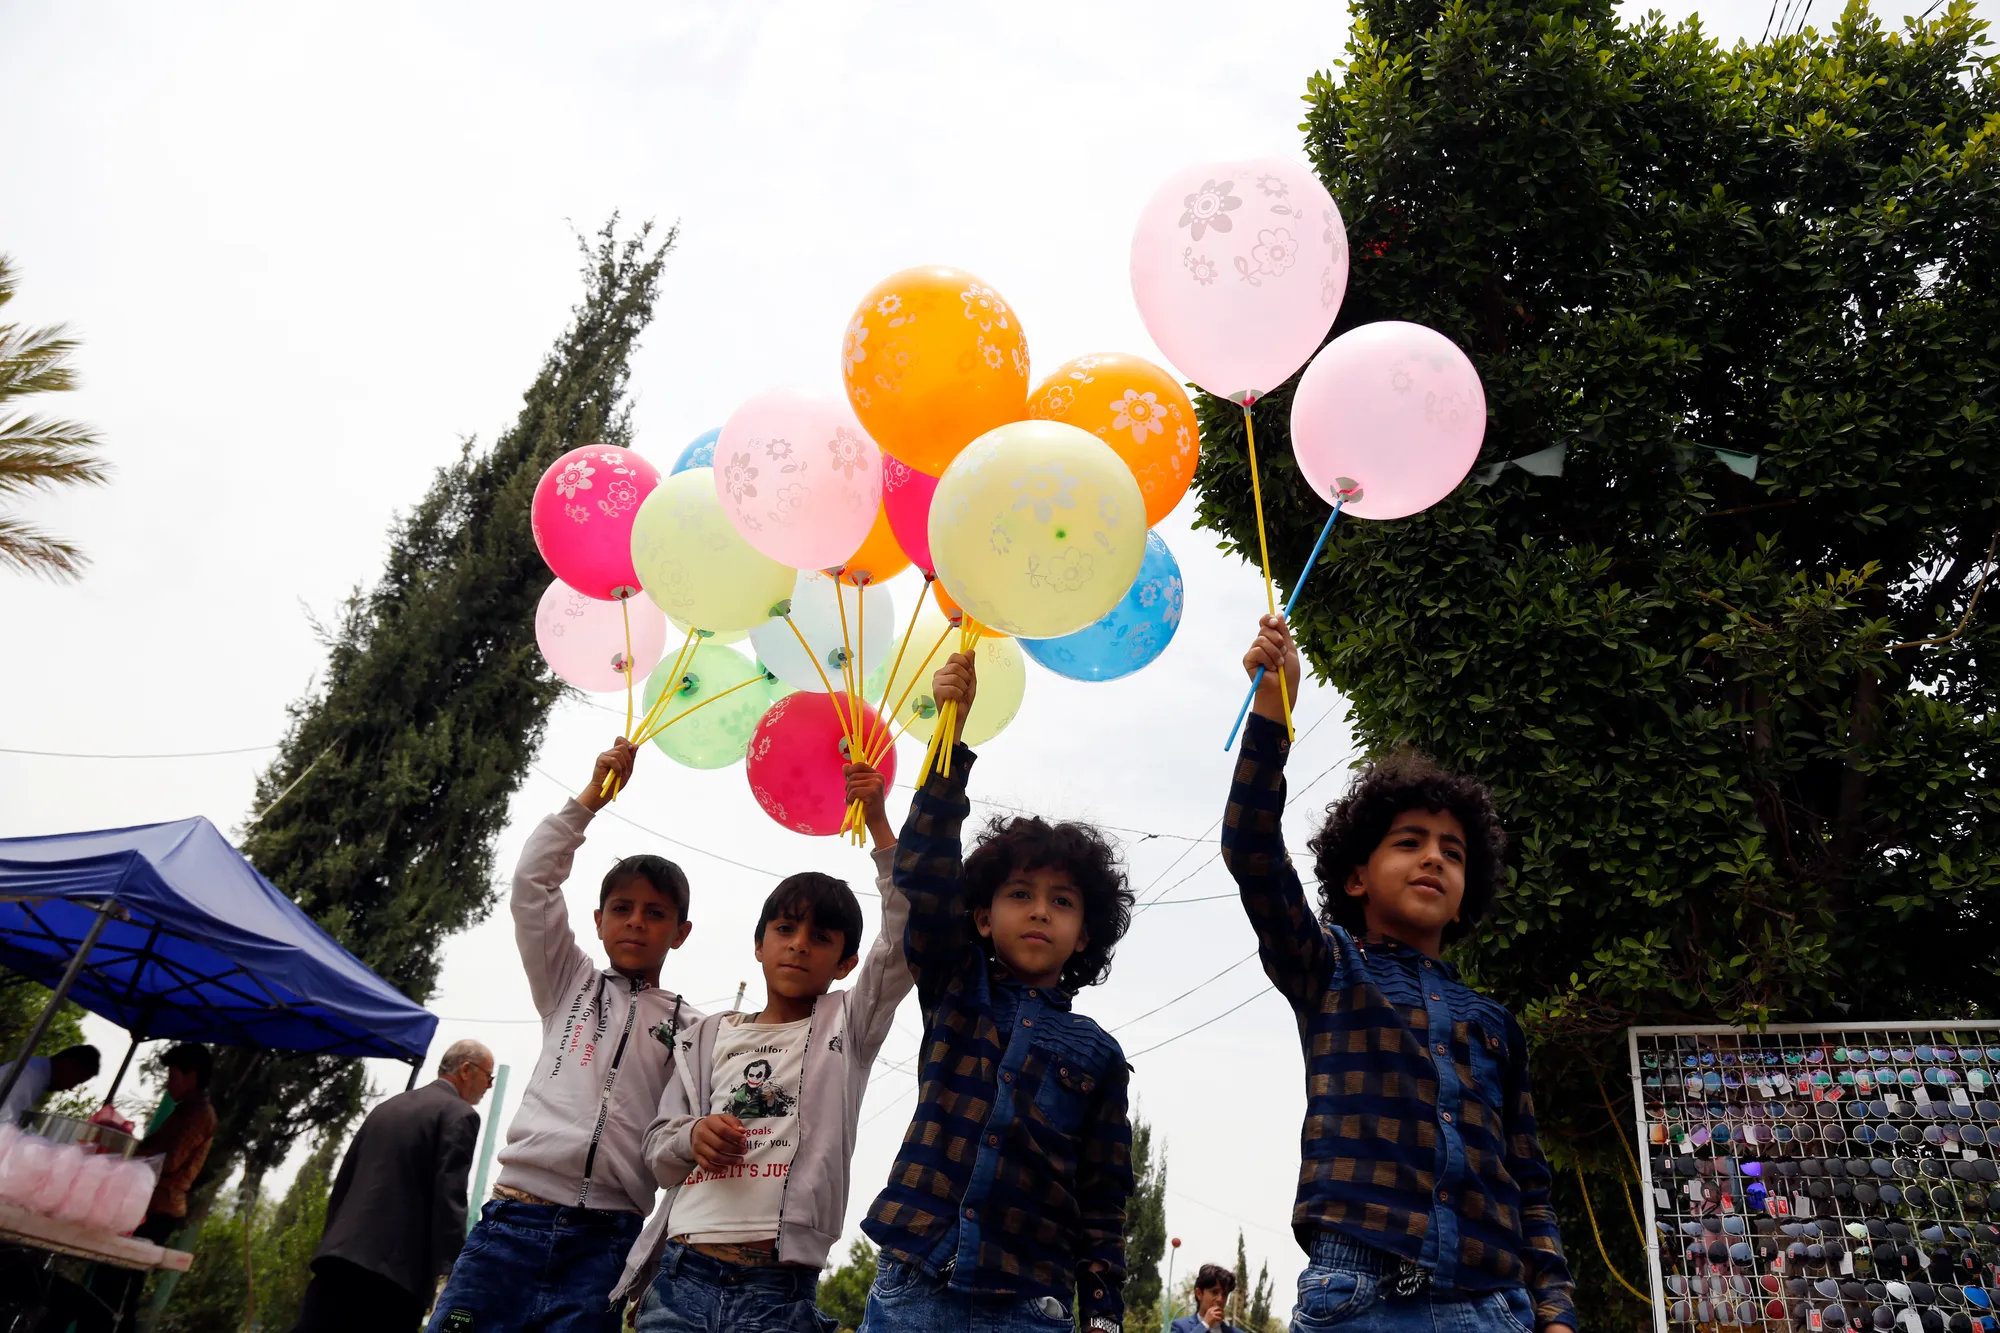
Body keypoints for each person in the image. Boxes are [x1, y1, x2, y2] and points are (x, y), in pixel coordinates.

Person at [1225, 616, 1577, 1333]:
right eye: (1409, 841)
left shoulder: (1494, 1024)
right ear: (1356, 876)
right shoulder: (1329, 972)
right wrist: (1273, 714)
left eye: (1453, 850)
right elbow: (1253, 850)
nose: (1434, 858)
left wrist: (1556, 1313)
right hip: (1358, 1297)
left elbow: (1530, 1185)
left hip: (1495, 1307)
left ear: (1466, 888)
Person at [858, 653, 1135, 1333]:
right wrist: (949, 741)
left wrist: (1101, 1313)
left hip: (1028, 1305)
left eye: (1061, 901)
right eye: (1019, 894)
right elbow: (923, 870)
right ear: (982, 916)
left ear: (1083, 934)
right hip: (914, 1283)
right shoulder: (954, 983)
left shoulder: (1097, 1054)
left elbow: (1103, 1194)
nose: (1039, 910)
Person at [613, 762, 910, 1332]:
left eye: (820, 938)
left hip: (779, 1287)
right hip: (681, 1275)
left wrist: (879, 827)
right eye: (784, 930)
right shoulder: (705, 1036)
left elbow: (902, 939)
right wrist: (692, 1136)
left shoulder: (847, 1023)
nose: (798, 946)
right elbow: (656, 1147)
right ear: (758, 944)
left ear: (846, 962)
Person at [429, 738, 705, 1333]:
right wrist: (588, 801)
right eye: (623, 908)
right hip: (510, 1224)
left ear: (679, 932)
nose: (637, 920)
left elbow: (682, 1135)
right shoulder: (567, 982)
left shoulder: (693, 1030)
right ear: (598, 921)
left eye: (655, 913)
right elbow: (532, 883)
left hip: (606, 1244)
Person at [291, 1039, 494, 1333]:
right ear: (466, 1070)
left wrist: (333, 1242)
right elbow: (448, 1196)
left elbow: (345, 1182)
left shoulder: (387, 1107)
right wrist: (454, 1268)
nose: (488, 1086)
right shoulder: (459, 1115)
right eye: (488, 1077)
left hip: (338, 1261)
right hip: (394, 1276)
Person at [0, 1044, 100, 1124]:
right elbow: (5, 1124)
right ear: (67, 1065)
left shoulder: (36, 1070)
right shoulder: (31, 1076)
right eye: (76, 1081)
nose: (71, 1088)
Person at [1170, 1264, 1237, 1333]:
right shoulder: (1180, 1327)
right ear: (1199, 1293)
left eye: (1224, 1294)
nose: (1220, 1299)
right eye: (1214, 1292)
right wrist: (1204, 1325)